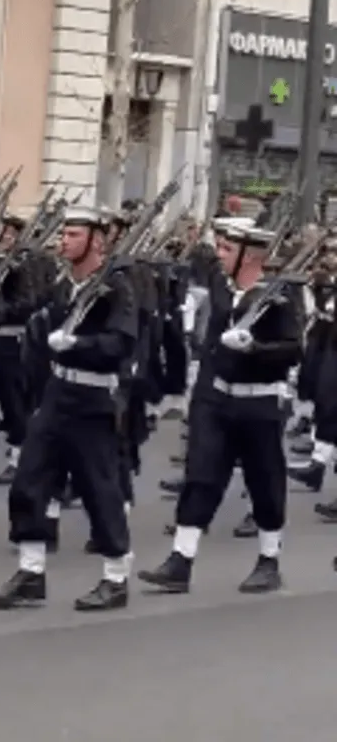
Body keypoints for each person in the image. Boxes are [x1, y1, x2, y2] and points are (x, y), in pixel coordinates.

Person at [0, 205, 136, 612]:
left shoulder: (116, 287)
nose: (63, 241)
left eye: (73, 235)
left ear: (96, 241)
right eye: (63, 234)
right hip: (57, 394)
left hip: (93, 399)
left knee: (100, 489)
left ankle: (115, 576)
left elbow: (121, 342)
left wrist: (80, 345)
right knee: (29, 480)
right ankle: (31, 572)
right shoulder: (64, 285)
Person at [139, 217, 302, 595]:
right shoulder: (223, 289)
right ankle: (180, 560)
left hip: (259, 402)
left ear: (250, 257)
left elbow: (294, 350)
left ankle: (269, 561)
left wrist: (256, 348)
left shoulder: (279, 299)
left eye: (228, 249)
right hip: (217, 400)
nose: (220, 254)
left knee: (264, 481)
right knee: (201, 476)